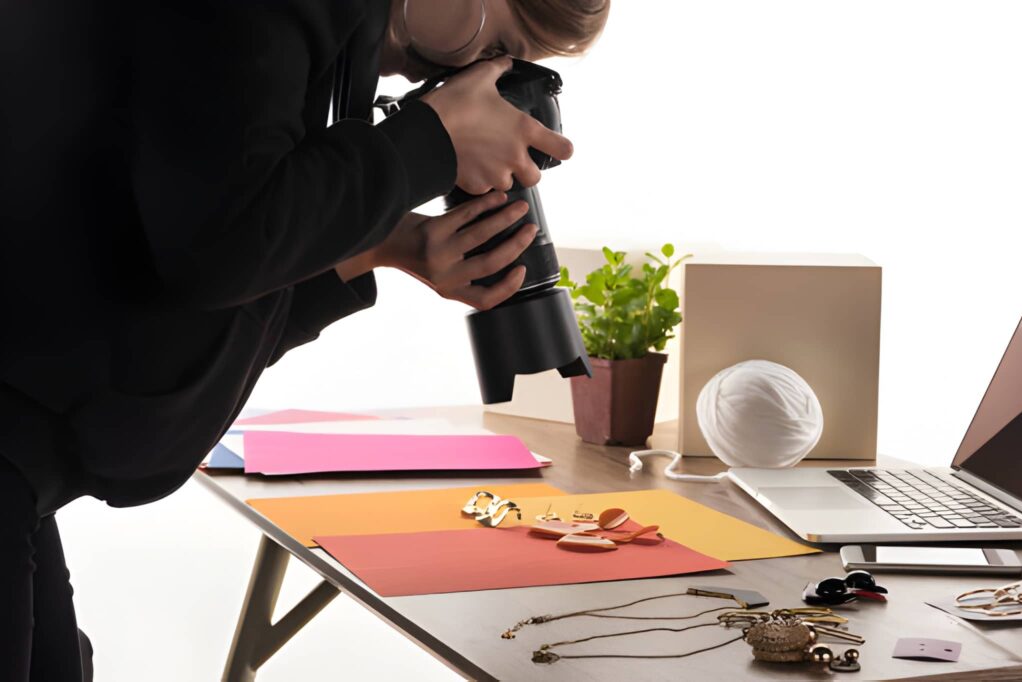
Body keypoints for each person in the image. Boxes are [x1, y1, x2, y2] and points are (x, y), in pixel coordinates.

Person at [0, 0, 609, 679]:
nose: (482, 73)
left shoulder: (320, 45)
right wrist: (428, 143)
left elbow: (190, 274)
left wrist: (387, 243)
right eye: (498, 42)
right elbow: (218, 250)